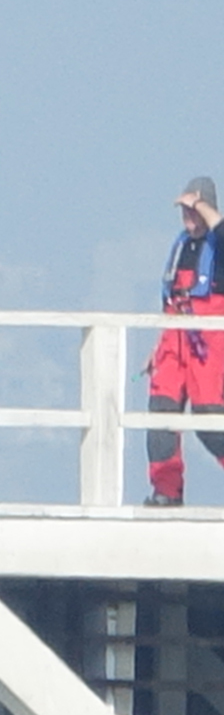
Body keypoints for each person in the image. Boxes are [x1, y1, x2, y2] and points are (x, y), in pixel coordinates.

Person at [144, 176, 224, 507]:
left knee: (209, 418)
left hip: (207, 340)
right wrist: (157, 347)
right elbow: (171, 300)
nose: (187, 218)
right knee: (161, 412)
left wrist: (205, 208)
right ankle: (167, 490)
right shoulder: (181, 245)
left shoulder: (218, 245)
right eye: (184, 212)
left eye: (193, 211)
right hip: (174, 336)